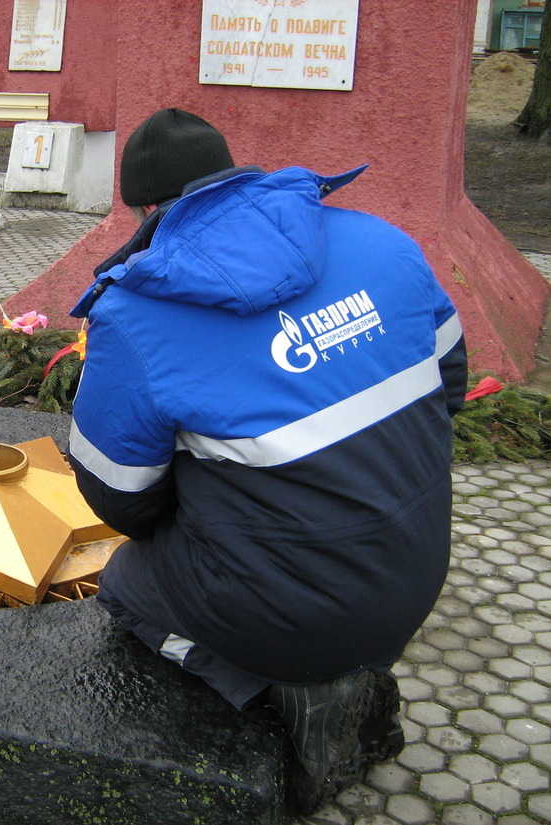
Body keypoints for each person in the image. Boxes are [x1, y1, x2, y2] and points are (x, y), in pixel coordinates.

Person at [67, 109, 466, 814]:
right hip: (418, 573)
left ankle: (281, 688)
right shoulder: (384, 241)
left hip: (289, 617)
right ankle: (341, 659)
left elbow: (120, 497)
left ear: (148, 209)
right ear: (232, 173)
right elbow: (451, 385)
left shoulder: (134, 314)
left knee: (127, 581)